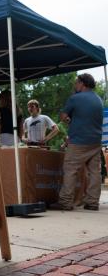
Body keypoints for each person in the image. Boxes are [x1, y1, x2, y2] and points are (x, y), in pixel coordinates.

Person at [50, 73, 103, 211]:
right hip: (96, 141)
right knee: (94, 172)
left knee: (70, 170)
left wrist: (69, 120)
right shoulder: (99, 99)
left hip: (79, 141)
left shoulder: (75, 98)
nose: (75, 85)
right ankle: (92, 202)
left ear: (82, 83)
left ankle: (65, 202)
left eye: (76, 82)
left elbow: (63, 116)